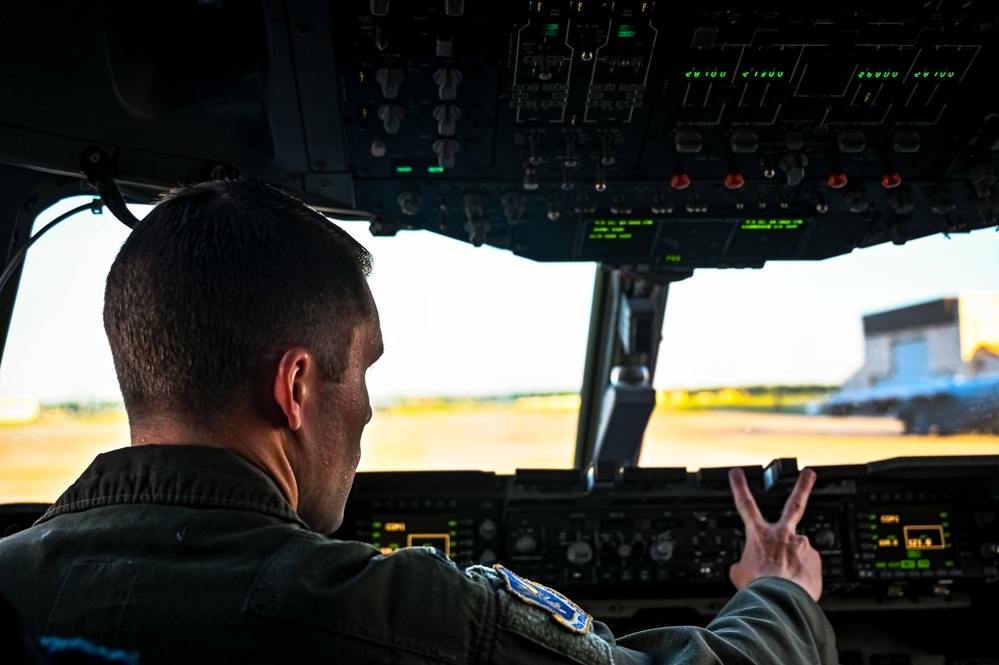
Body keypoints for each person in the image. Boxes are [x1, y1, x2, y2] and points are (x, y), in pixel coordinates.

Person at [0, 179, 837, 664]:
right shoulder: (412, 619)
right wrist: (779, 592)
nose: (365, 405)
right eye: (364, 370)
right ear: (294, 387)